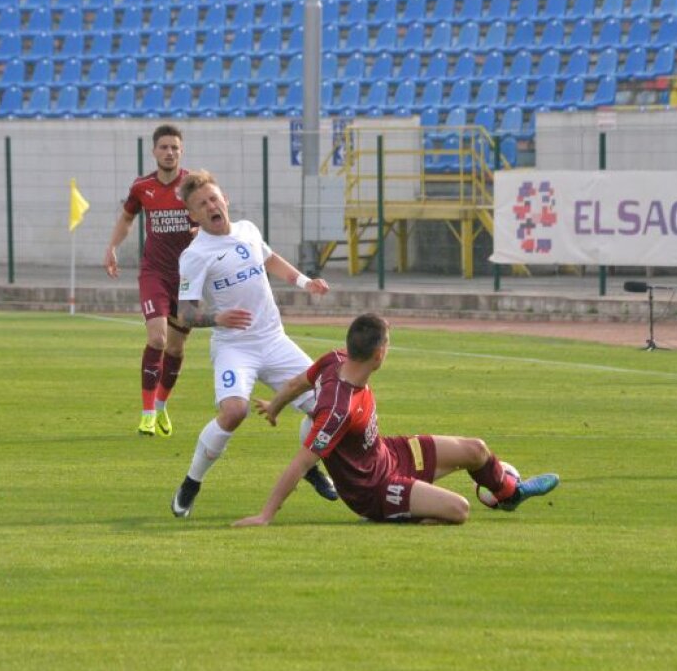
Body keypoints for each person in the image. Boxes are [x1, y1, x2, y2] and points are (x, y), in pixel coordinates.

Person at [234, 313, 559, 527]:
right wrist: (265, 515)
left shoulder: (335, 359)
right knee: (458, 510)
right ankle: (396, 514)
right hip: (374, 488)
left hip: (389, 454)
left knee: (476, 450)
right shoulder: (337, 410)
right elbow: (301, 464)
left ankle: (509, 495)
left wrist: (275, 406)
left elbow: (296, 384)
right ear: (378, 355)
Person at [170, 170, 338, 517]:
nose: (211, 206)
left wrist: (305, 282)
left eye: (214, 198)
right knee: (234, 412)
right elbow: (184, 314)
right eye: (202, 204)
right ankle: (191, 482)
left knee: (326, 408)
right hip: (235, 347)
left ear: (225, 200)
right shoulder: (195, 255)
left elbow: (269, 259)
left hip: (274, 341)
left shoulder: (247, 230)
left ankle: (309, 468)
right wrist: (217, 318)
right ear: (193, 216)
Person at [103, 125, 196, 437]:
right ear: (154, 151)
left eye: (175, 148)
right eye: (164, 147)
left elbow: (219, 215)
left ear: (181, 152)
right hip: (154, 273)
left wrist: (204, 230)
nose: (169, 152)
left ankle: (160, 406)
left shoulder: (195, 184)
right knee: (157, 338)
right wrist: (112, 247)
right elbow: (127, 218)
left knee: (177, 348)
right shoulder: (142, 186)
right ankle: (146, 414)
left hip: (190, 278)